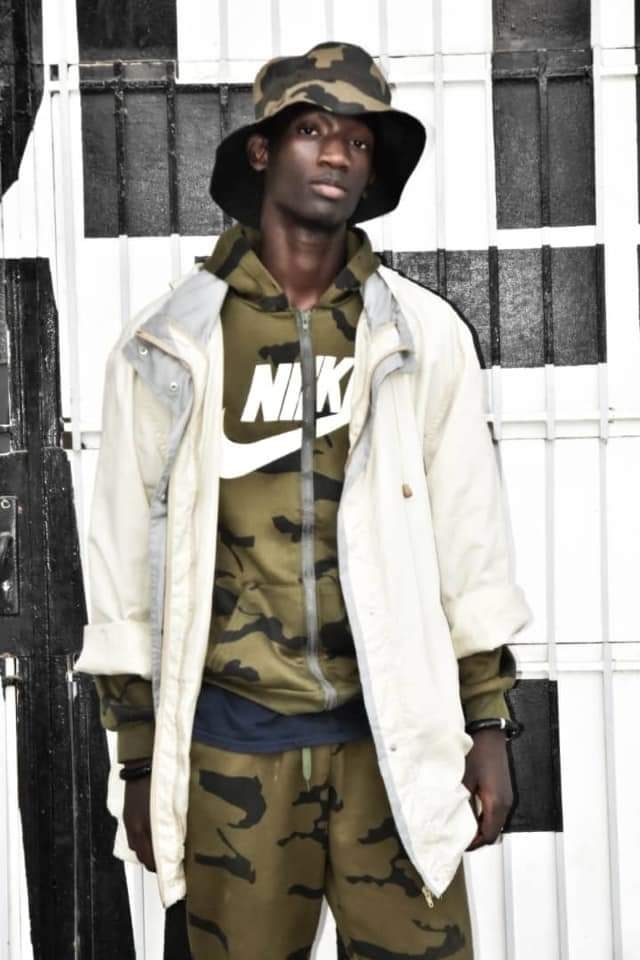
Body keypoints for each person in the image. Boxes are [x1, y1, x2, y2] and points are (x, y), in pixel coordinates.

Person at [76, 41, 530, 960]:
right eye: (313, 130)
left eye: (359, 142)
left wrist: (486, 723)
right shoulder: (171, 344)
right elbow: (124, 558)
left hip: (391, 748)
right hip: (230, 750)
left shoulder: (420, 335)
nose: (337, 154)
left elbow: (469, 536)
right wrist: (140, 759)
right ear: (261, 150)